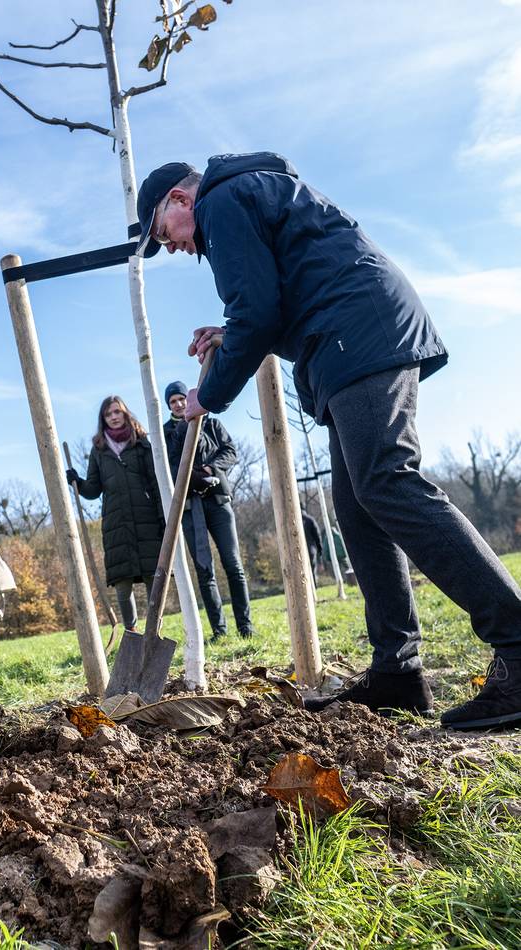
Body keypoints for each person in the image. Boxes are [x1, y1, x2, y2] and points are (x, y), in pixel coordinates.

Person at [135, 151, 521, 728]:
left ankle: (516, 643)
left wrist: (206, 397)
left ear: (182, 201)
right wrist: (233, 331)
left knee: (386, 482)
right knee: (358, 505)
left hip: (356, 331)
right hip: (349, 331)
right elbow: (277, 301)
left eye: (166, 236)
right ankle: (397, 672)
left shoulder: (220, 202)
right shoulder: (247, 194)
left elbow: (259, 311)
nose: (175, 249)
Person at [163, 381, 253, 640]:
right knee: (205, 570)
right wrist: (193, 476)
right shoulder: (168, 433)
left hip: (218, 502)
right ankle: (219, 631)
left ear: (189, 399)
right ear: (169, 406)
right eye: (173, 402)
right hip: (191, 508)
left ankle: (245, 627)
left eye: (182, 399)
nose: (179, 404)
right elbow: (171, 466)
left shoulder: (211, 423)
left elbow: (230, 451)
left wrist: (211, 469)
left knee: (233, 565)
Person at [65, 396, 164, 633]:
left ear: (125, 413)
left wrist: (163, 517)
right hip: (116, 522)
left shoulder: (141, 443)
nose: (114, 417)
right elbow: (93, 489)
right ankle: (131, 632)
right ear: (103, 419)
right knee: (122, 580)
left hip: (146, 518)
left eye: (117, 412)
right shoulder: (99, 450)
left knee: (153, 575)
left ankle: (154, 630)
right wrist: (76, 482)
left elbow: (155, 481)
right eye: (109, 414)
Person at [302, 506, 324, 585]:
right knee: (312, 569)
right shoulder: (310, 520)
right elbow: (317, 536)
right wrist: (320, 551)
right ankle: (314, 586)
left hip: (298, 550)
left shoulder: (291, 521)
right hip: (310, 548)